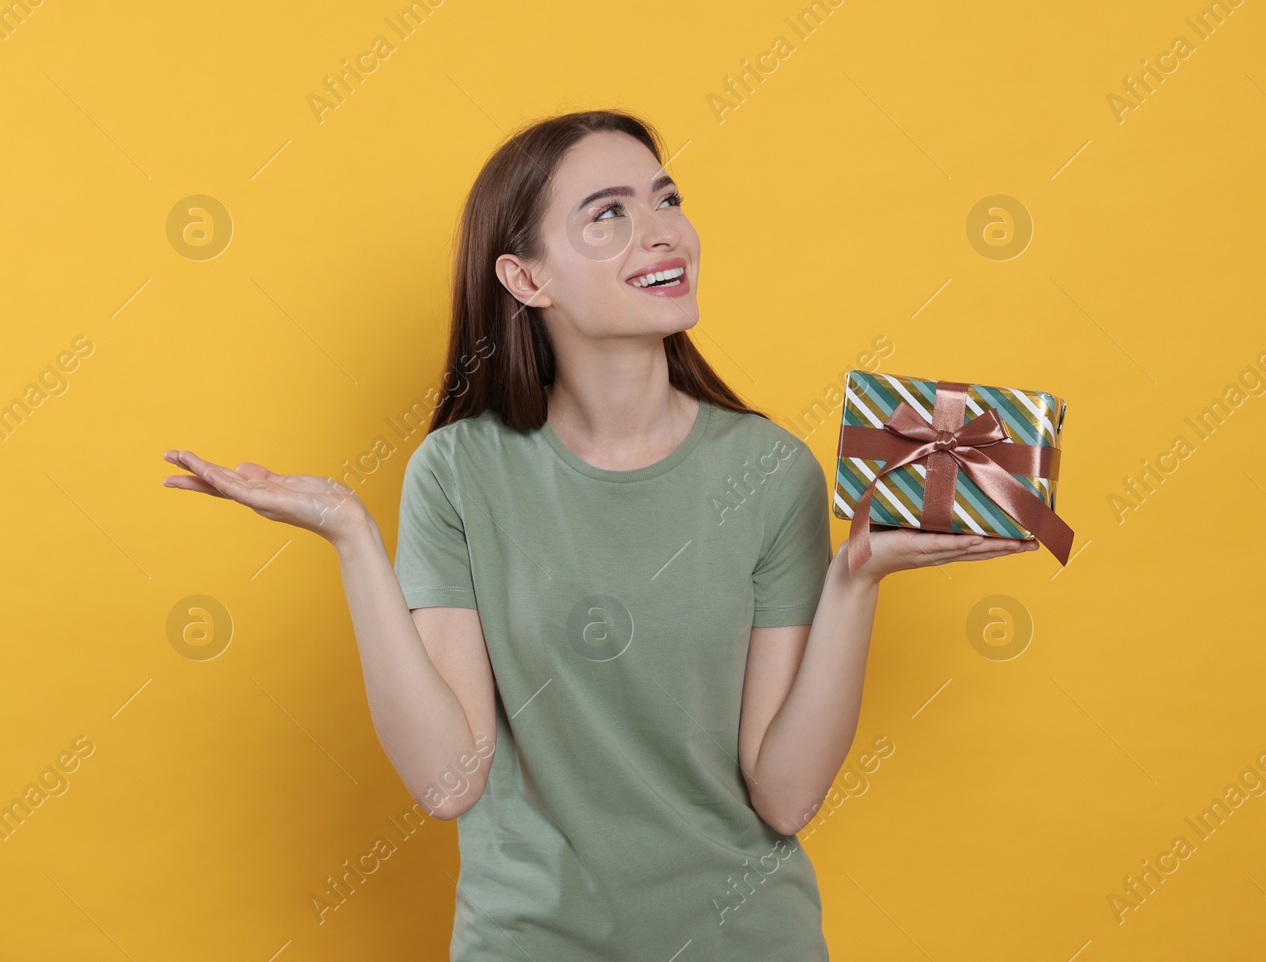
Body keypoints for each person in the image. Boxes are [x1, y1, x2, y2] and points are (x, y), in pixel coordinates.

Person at [160, 109, 1036, 959]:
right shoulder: (459, 472)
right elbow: (448, 779)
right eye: (608, 215)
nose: (661, 233)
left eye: (665, 199)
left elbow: (783, 794)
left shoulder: (771, 471)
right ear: (525, 280)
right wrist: (353, 536)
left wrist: (854, 581)